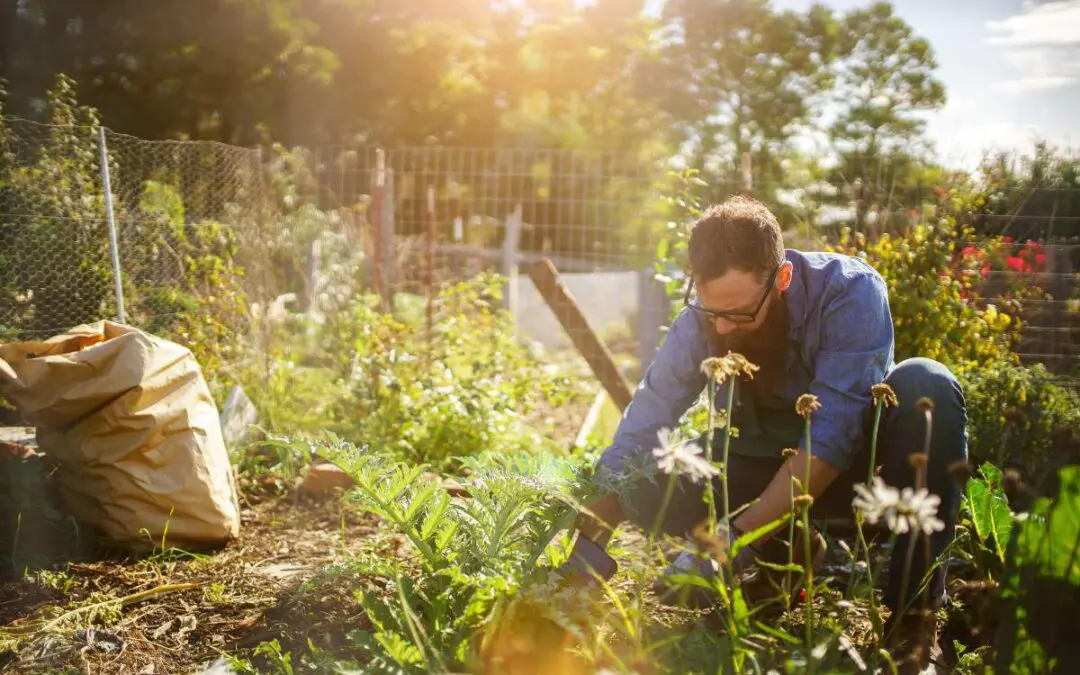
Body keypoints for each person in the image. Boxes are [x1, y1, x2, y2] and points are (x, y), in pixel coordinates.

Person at [557, 196, 968, 672]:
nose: (725, 327)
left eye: (741, 314)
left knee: (927, 384)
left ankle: (913, 626)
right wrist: (588, 545)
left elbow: (832, 437)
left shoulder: (849, 292)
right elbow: (643, 423)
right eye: (714, 313)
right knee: (648, 480)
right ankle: (781, 558)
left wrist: (729, 541)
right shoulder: (703, 317)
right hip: (757, 468)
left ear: (783, 279)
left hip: (857, 480)